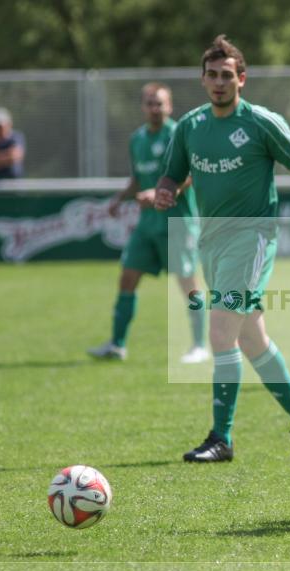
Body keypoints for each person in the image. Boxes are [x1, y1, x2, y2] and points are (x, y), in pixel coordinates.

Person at [153, 35, 290, 461]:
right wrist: (165, 191)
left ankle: (221, 438)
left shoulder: (261, 122)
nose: (218, 82)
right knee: (252, 340)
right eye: (211, 75)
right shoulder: (190, 127)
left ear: (241, 79)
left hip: (252, 240)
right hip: (211, 240)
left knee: (219, 333)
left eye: (226, 75)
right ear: (202, 79)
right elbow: (171, 176)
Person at [87, 82, 208, 364]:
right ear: (143, 107)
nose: (155, 108)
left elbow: (192, 174)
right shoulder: (137, 139)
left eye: (160, 103)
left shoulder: (179, 133)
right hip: (148, 224)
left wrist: (160, 193)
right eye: (150, 103)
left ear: (170, 106)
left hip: (178, 221)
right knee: (127, 277)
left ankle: (200, 344)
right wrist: (119, 199)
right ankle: (117, 344)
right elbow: (137, 178)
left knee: (188, 285)